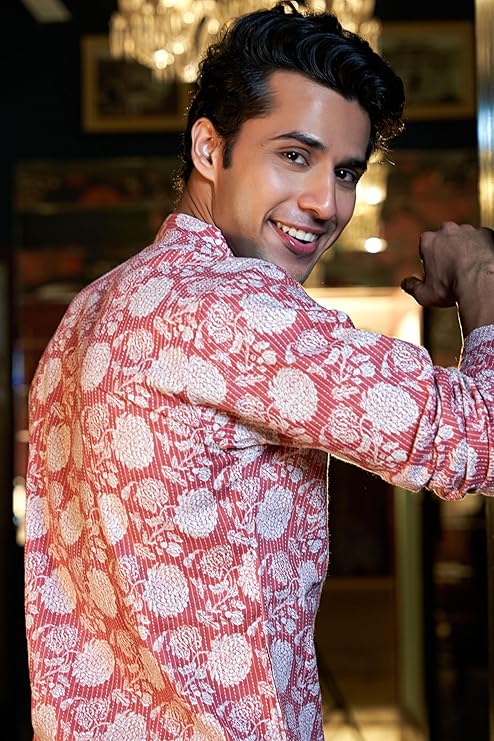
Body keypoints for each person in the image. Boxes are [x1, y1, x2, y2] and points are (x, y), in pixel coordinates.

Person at [24, 3, 494, 740]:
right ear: (210, 148)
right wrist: (481, 278)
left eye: (346, 171)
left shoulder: (91, 307)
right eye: (295, 156)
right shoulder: (233, 305)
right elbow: (480, 439)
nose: (326, 203)